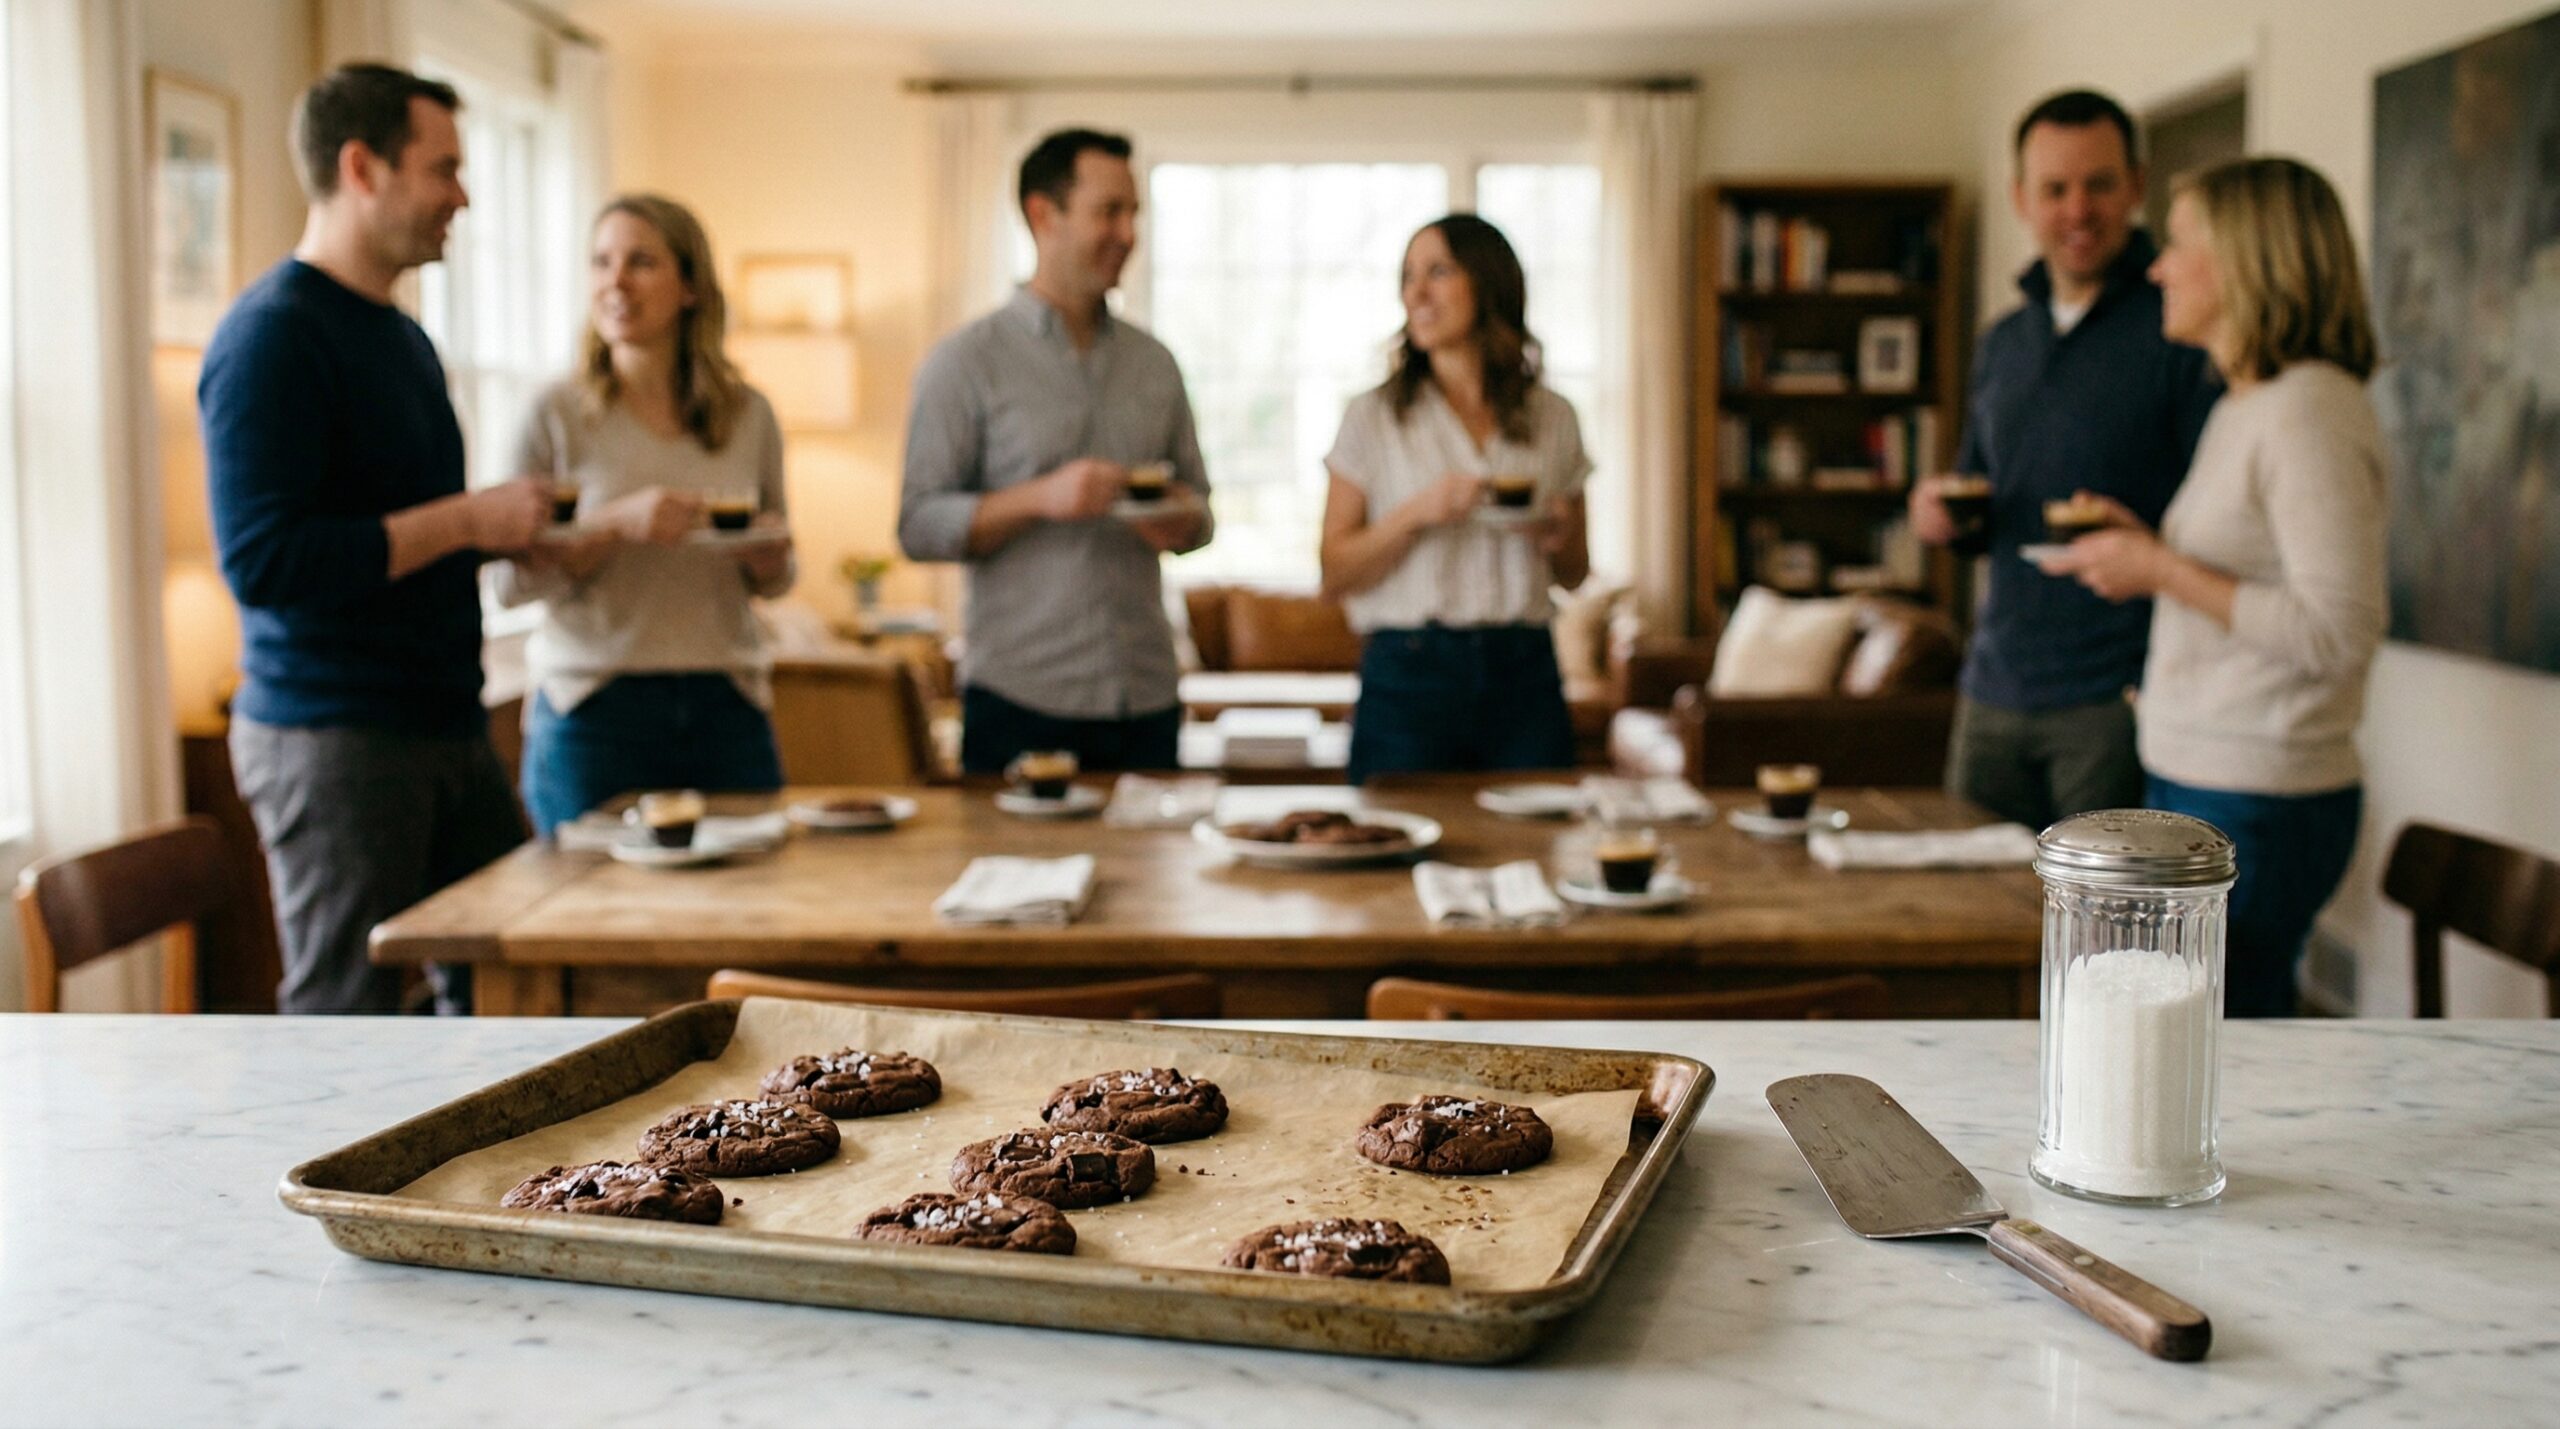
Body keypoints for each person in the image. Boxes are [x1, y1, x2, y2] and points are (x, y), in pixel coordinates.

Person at [203, 64, 545, 1014]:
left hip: (442, 724)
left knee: (507, 990)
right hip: (333, 737)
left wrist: (512, 538)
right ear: (362, 167)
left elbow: (402, 537)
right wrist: (472, 518)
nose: (464, 197)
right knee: (345, 1016)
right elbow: (268, 562)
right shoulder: (271, 337)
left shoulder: (402, 340)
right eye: (443, 169)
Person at [2040, 157, 2386, 1016]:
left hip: (2259, 793)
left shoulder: (2309, 409)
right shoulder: (2248, 403)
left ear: (2245, 259)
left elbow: (2337, 632)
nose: (2155, 265)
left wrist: (2160, 567)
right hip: (2204, 775)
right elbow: (2245, 574)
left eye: (2180, 243)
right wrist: (2145, 547)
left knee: (2218, 1049)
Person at [1908, 89, 2221, 830]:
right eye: (2056, 189)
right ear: (2022, 198)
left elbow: (2216, 520)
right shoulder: (2003, 339)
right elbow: (1984, 495)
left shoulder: (2181, 325)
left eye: (2100, 185)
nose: (2078, 209)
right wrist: (1943, 515)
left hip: (2116, 695)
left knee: (2095, 934)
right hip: (1994, 684)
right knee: (1972, 915)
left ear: (2136, 187)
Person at [898, 128, 1212, 775]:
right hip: (1023, 699)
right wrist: (1043, 498)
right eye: (1110, 212)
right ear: (1045, 216)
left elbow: (1202, 516)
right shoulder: (965, 362)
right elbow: (918, 525)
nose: (1128, 232)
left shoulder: (1155, 363)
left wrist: (1179, 518)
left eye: (1134, 214)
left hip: (1146, 696)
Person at [490, 195, 795, 837]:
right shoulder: (553, 412)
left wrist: (766, 557)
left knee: (747, 913)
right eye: (601, 263)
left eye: (641, 262)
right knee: (588, 923)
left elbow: (777, 578)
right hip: (593, 708)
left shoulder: (749, 415)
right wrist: (613, 525)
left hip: (726, 702)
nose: (615, 282)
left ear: (690, 287)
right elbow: (511, 585)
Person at [1318, 214, 1592, 785]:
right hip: (1408, 672)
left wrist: (1555, 535)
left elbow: (1574, 574)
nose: (1415, 292)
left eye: (1437, 272)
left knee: (1538, 850)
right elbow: (1335, 570)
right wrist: (1419, 512)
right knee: (1392, 854)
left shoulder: (1554, 417)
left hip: (1526, 669)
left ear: (1488, 283)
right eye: (1408, 276)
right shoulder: (1372, 418)